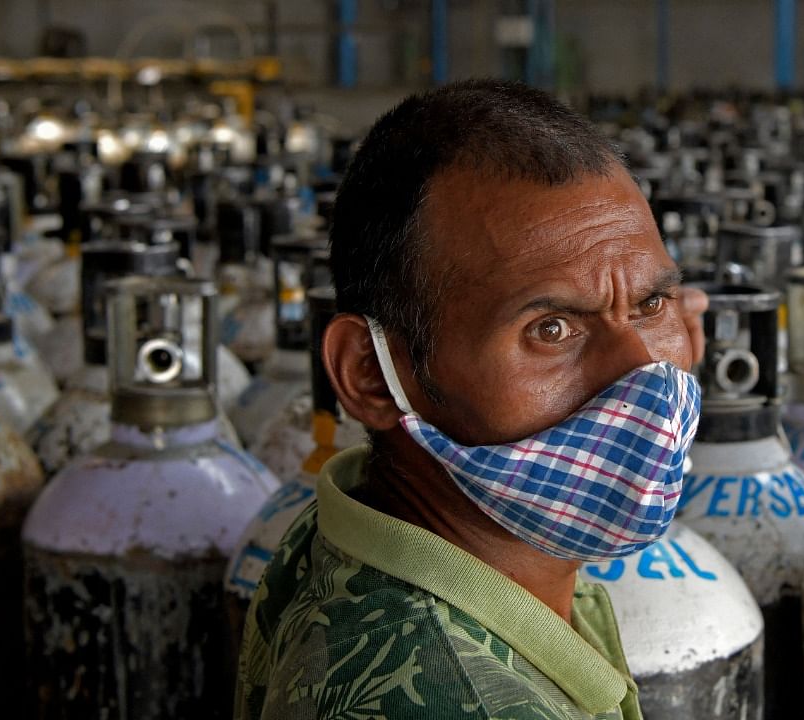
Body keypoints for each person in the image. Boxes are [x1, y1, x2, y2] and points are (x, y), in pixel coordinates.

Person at [234, 79, 708, 719]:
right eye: (552, 329)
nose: (645, 373)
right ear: (371, 374)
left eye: (650, 305)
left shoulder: (350, 524)